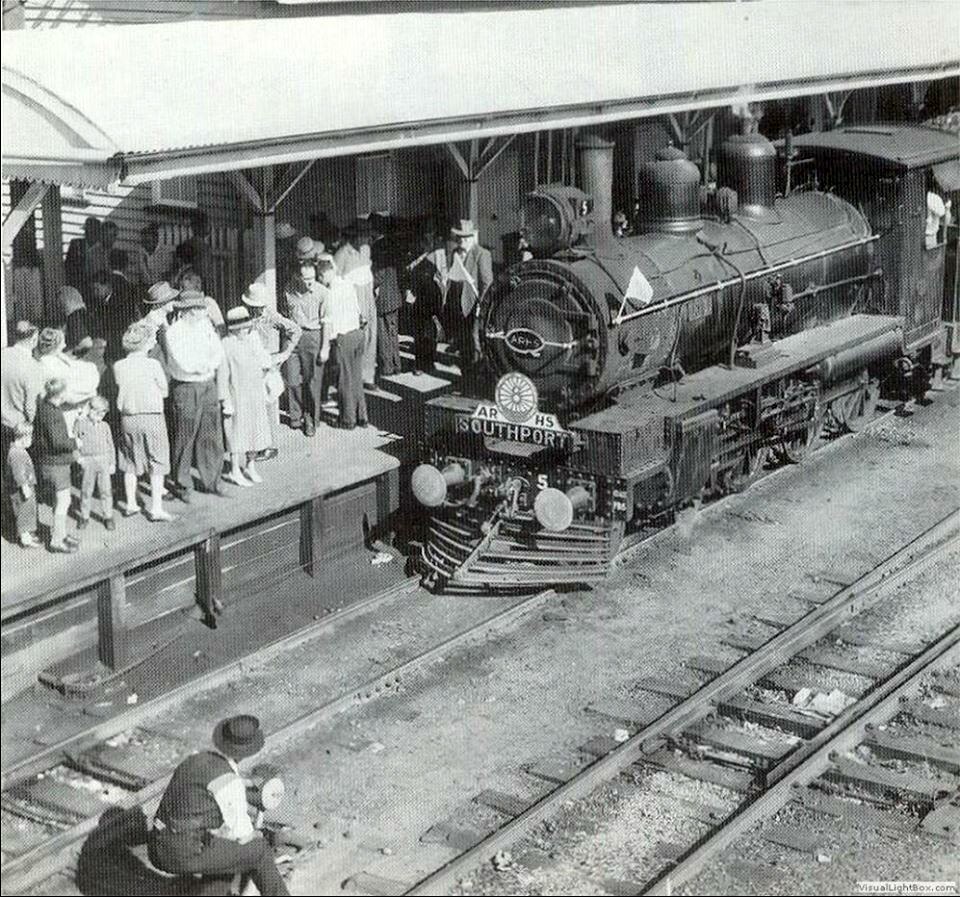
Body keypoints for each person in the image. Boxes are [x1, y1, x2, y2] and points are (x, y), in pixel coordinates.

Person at [148, 715, 290, 897]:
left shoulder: (196, 760)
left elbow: (211, 782)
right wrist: (260, 834)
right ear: (249, 750)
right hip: (179, 855)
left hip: (158, 843)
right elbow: (243, 836)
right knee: (259, 851)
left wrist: (243, 783)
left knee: (227, 855)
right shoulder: (230, 784)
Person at [163, 292, 227, 501]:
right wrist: (202, 366)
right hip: (186, 386)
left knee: (210, 433)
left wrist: (209, 365)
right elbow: (181, 360)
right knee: (185, 435)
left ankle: (212, 481)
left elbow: (217, 351)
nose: (204, 311)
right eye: (200, 308)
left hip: (208, 384)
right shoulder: (174, 332)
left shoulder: (205, 326)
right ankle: (182, 485)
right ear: (189, 311)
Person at [114, 322, 175, 522]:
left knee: (129, 460)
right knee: (157, 461)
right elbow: (165, 391)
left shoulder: (119, 366)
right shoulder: (153, 365)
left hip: (128, 418)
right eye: (152, 338)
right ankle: (156, 508)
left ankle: (131, 503)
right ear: (146, 342)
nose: (155, 341)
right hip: (152, 417)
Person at [242, 282, 301, 460]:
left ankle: (269, 446)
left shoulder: (271, 316)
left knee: (268, 406)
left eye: (259, 307)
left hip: (268, 364)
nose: (257, 310)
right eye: (253, 306)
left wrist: (285, 353)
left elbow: (295, 330)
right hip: (250, 365)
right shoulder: (244, 316)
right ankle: (255, 445)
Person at [219, 307, 273, 487]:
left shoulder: (252, 340)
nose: (244, 331)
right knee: (237, 432)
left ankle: (251, 465)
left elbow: (264, 361)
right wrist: (225, 399)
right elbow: (222, 375)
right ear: (232, 329)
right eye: (240, 328)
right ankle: (235, 469)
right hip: (237, 394)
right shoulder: (226, 345)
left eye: (246, 327)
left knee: (255, 430)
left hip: (254, 393)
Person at [318, 254, 368, 429]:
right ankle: (362, 416)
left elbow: (328, 321)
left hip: (343, 337)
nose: (321, 279)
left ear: (326, 272)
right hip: (357, 333)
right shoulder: (347, 284)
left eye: (321, 275)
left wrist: (325, 345)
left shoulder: (330, 292)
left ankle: (348, 420)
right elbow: (358, 310)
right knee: (356, 377)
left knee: (344, 380)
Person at [445, 220, 493, 389]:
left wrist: (483, 306)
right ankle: (466, 378)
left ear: (472, 237)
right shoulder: (455, 253)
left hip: (475, 306)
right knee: (463, 344)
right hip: (458, 306)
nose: (462, 241)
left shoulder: (482, 254)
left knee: (475, 344)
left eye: (465, 238)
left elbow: (487, 284)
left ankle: (477, 380)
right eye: (459, 238)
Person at [34, 378, 80, 553]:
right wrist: (76, 442)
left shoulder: (44, 406)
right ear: (61, 394)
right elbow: (57, 442)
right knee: (64, 501)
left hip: (47, 462)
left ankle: (60, 533)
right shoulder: (53, 413)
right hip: (56, 464)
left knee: (58, 500)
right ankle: (57, 540)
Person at [283, 263, 326, 436]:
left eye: (312, 278)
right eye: (306, 279)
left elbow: (326, 322)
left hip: (312, 336)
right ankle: (295, 415)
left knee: (312, 381)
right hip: (293, 336)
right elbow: (286, 313)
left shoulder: (322, 292)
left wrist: (325, 346)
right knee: (292, 378)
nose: (310, 283)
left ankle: (310, 419)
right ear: (297, 277)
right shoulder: (288, 290)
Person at [334, 225, 378, 388]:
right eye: (363, 236)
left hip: (368, 295)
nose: (367, 239)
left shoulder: (366, 249)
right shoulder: (342, 254)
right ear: (354, 237)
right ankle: (353, 377)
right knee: (356, 338)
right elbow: (337, 284)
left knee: (371, 337)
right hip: (352, 299)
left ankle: (368, 377)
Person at [74, 395, 116, 531]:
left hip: (103, 461)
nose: (100, 416)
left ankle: (108, 516)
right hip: (88, 461)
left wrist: (112, 463)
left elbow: (111, 445)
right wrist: (78, 458)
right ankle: (84, 516)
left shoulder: (105, 426)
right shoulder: (80, 424)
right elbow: (74, 443)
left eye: (103, 413)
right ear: (89, 410)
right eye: (97, 413)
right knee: (86, 491)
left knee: (106, 491)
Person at [406, 236, 443, 375]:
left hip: (427, 303)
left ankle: (424, 364)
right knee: (421, 335)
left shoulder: (428, 264)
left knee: (425, 335)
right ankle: (425, 363)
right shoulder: (416, 263)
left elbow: (436, 285)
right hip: (421, 304)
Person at [1, 321, 44, 438]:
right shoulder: (33, 366)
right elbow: (31, 407)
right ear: (34, 339)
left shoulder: (2, 354)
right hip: (17, 429)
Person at [6, 421, 40, 549]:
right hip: (21, 489)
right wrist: (24, 487)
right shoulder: (17, 453)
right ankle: (25, 540)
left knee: (28, 510)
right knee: (23, 513)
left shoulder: (18, 450)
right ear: (23, 437)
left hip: (26, 486)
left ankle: (27, 535)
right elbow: (18, 474)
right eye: (30, 437)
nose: (31, 439)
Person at [373, 244, 403, 379]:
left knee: (384, 335)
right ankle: (397, 365)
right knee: (393, 334)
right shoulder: (392, 259)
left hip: (384, 303)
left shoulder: (379, 262)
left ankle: (387, 367)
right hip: (394, 301)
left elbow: (376, 280)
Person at [174, 212, 215, 292]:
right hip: (195, 285)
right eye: (206, 224)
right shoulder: (199, 246)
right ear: (197, 227)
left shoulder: (189, 244)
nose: (209, 227)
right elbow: (203, 270)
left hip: (190, 284)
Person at [176, 268, 225, 335]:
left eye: (198, 281)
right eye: (187, 279)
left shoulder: (208, 302)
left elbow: (220, 325)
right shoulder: (177, 304)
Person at [60, 286, 92, 354]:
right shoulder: (84, 313)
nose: (60, 307)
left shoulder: (74, 317)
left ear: (69, 301)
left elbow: (77, 341)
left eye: (61, 303)